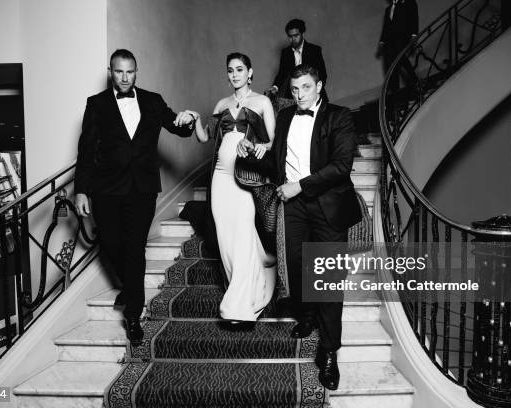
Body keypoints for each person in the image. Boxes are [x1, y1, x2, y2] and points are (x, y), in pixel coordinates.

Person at [74, 49, 195, 341]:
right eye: (119, 72)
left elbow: (176, 127)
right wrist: (80, 190)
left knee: (134, 248)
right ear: (111, 72)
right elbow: (86, 150)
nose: (125, 77)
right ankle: (130, 288)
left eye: (130, 72)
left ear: (136, 72)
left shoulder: (152, 100)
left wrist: (186, 120)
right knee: (110, 242)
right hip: (106, 189)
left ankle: (133, 317)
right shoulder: (97, 104)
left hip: (142, 188)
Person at [259, 64, 362, 390]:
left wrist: (299, 186)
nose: (299, 95)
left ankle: (329, 352)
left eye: (305, 87)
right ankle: (305, 316)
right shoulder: (287, 117)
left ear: (319, 86)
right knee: (298, 264)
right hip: (294, 207)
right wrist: (251, 153)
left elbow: (341, 166)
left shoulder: (340, 116)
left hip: (327, 204)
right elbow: (277, 159)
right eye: (294, 89)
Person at [186, 52, 277, 324]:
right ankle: (240, 289)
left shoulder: (262, 102)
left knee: (242, 233)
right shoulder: (222, 103)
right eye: (230, 70)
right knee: (226, 237)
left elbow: (273, 141)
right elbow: (204, 137)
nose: (234, 74)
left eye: (240, 69)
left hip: (246, 176)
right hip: (220, 177)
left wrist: (257, 146)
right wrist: (193, 120)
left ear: (250, 72)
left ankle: (241, 303)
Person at [267, 19, 328, 100]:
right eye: (290, 36)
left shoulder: (314, 50)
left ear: (303, 34)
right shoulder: (286, 53)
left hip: (313, 93)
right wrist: (275, 87)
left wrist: (314, 90)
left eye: (296, 35)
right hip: (294, 95)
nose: (293, 39)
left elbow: (322, 74)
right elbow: (281, 74)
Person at [378, 0, 419, 94]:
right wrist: (381, 42)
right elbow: (386, 27)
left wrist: (414, 36)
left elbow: (414, 19)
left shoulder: (409, 3)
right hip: (389, 41)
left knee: (399, 57)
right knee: (390, 64)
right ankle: (395, 89)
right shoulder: (388, 9)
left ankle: (414, 80)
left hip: (402, 38)